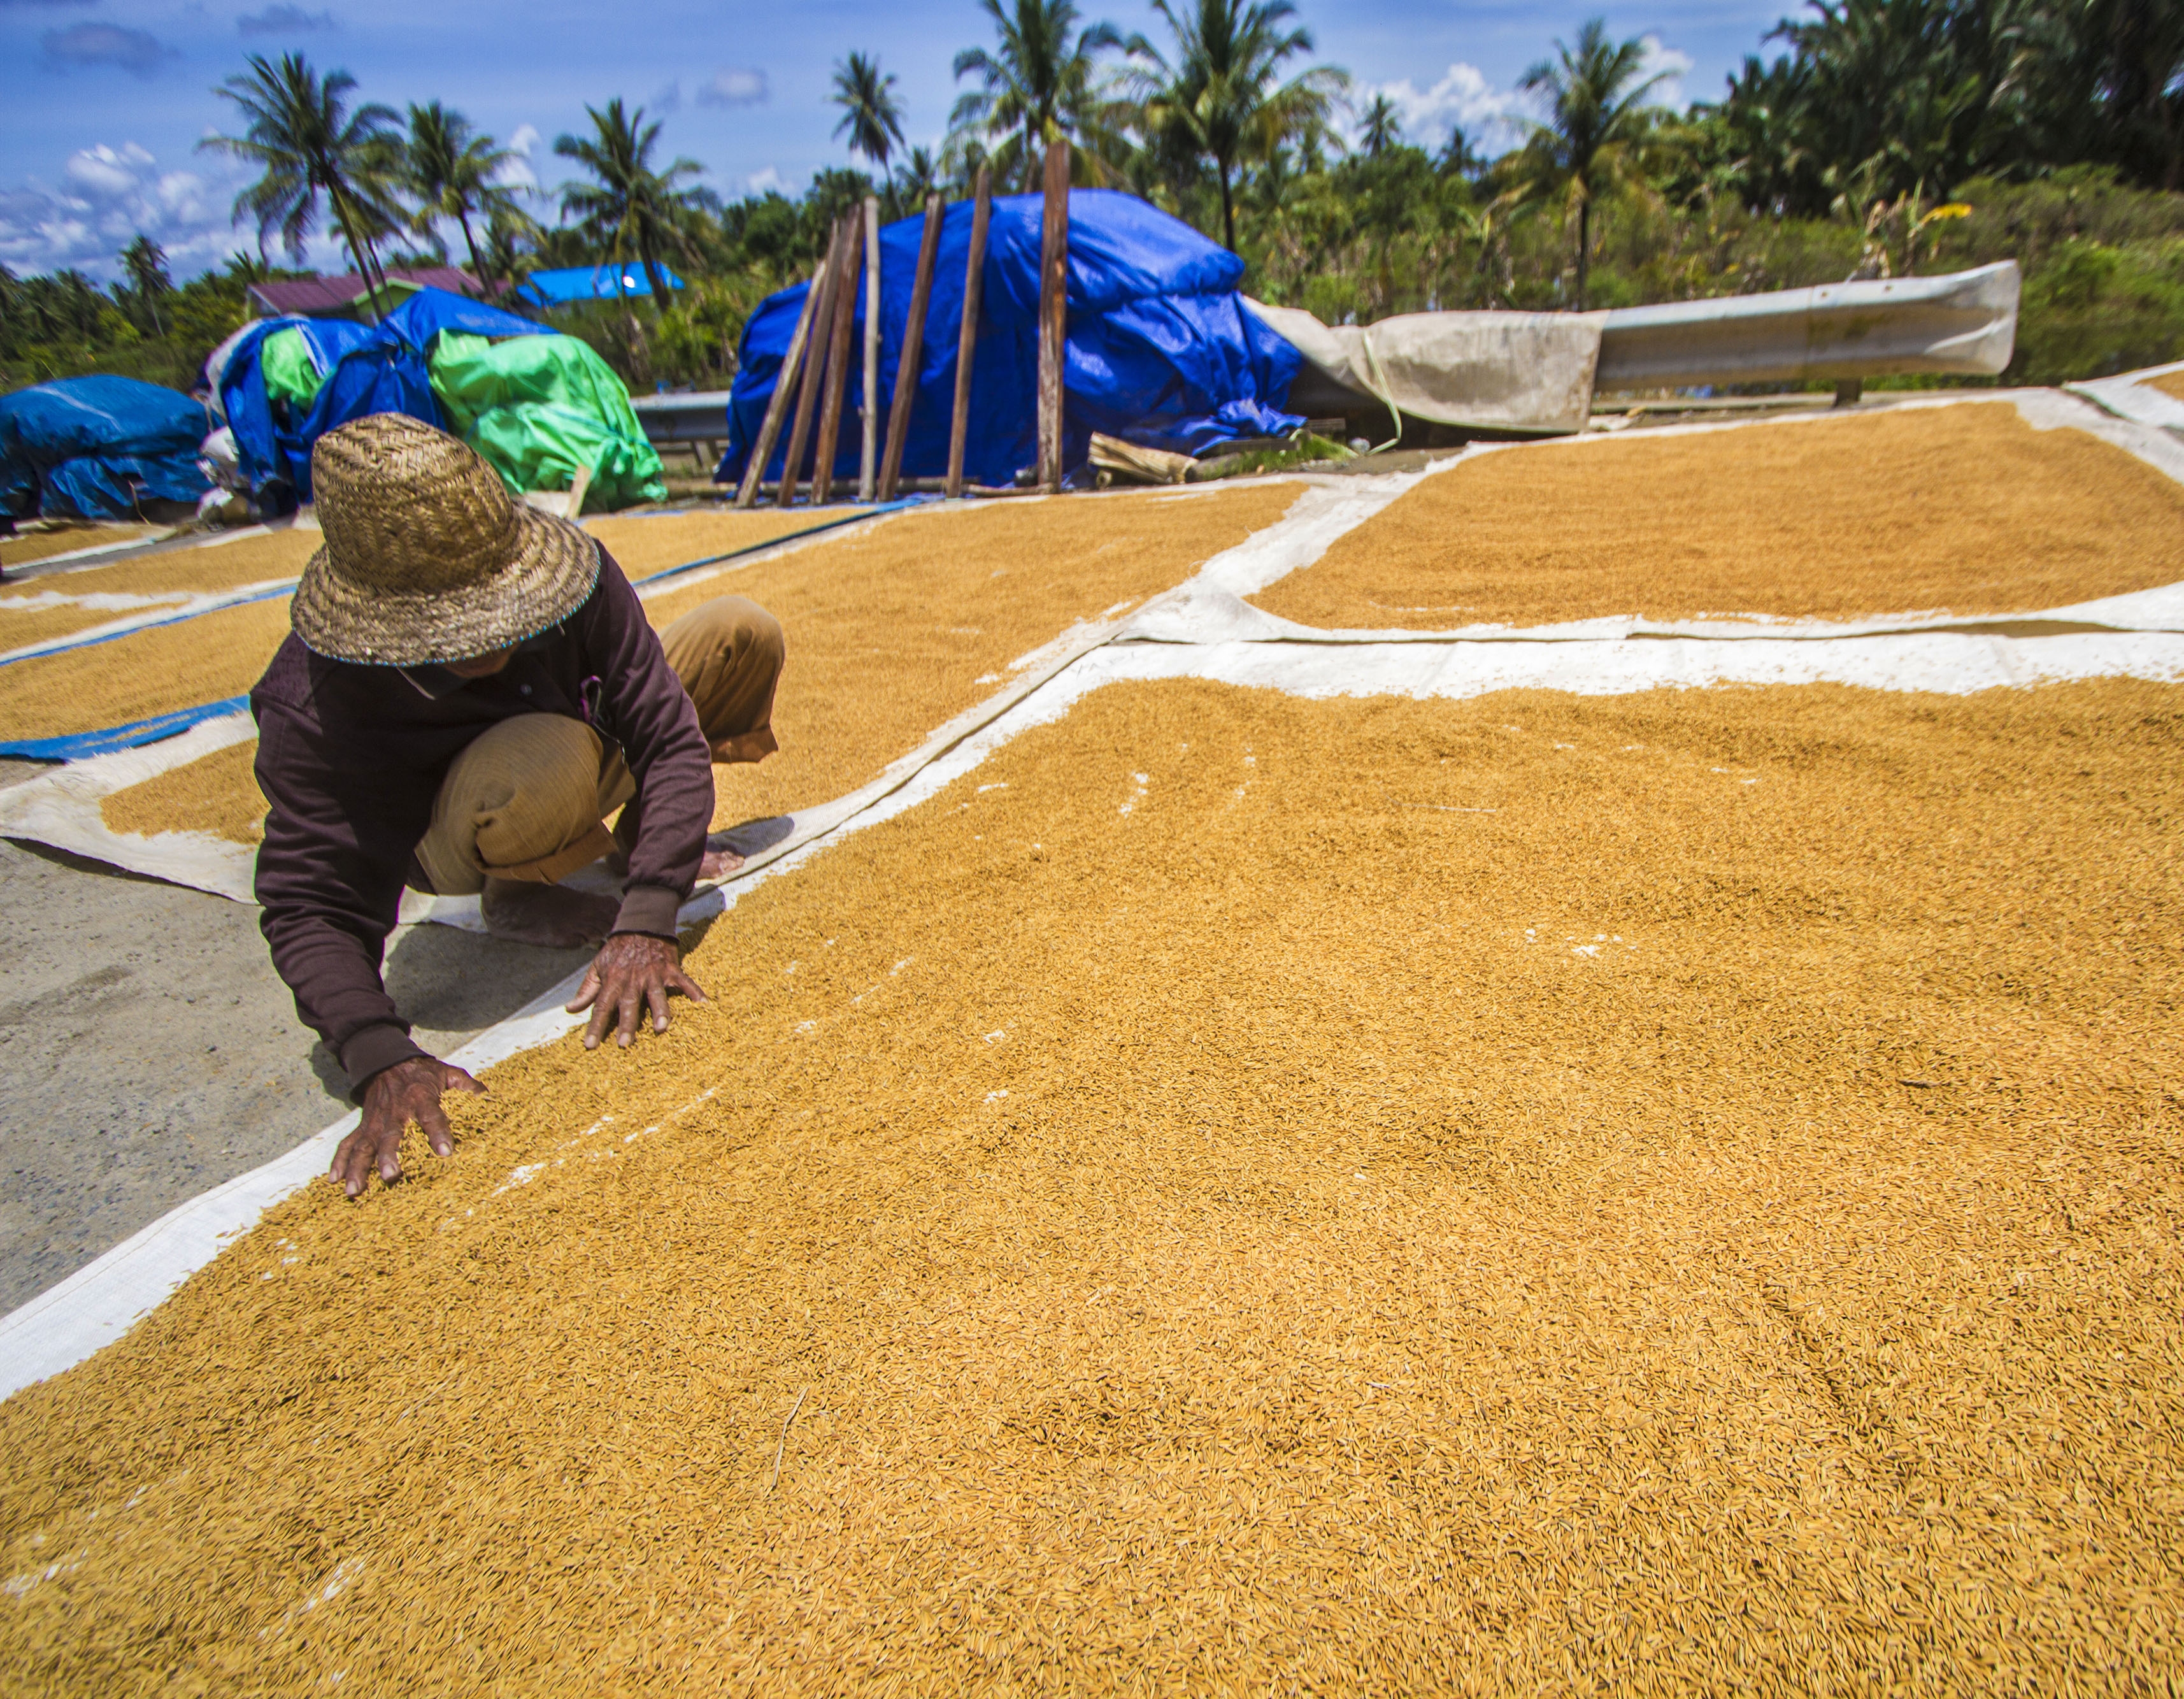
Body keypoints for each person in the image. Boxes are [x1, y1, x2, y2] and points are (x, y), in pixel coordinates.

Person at [251, 414, 783, 1198]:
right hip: (461, 821)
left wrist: (648, 908)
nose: (491, 637)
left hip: (576, 739)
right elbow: (309, 903)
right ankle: (517, 889)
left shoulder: (576, 580)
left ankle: (643, 842)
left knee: (741, 629)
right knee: (542, 755)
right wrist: (378, 1055)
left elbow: (666, 738)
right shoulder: (317, 700)